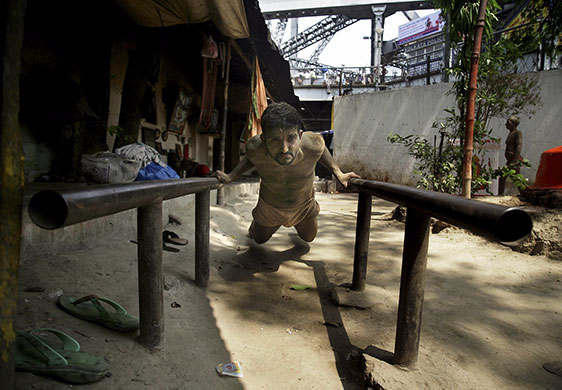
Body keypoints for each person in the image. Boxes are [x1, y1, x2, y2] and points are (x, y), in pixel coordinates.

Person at [215, 102, 360, 244]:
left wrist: (338, 173)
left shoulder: (313, 143)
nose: (284, 149)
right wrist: (231, 176)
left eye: (291, 138)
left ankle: (295, 224)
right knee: (258, 239)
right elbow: (251, 158)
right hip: (269, 208)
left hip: (303, 207)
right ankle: (258, 224)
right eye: (274, 140)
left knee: (309, 238)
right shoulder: (255, 147)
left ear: (300, 136)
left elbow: (321, 151)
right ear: (263, 140)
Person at [498, 115, 523, 195]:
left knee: (503, 177)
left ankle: (500, 195)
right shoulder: (511, 133)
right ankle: (524, 193)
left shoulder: (517, 133)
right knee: (516, 179)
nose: (506, 124)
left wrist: (514, 161)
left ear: (514, 124)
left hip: (513, 160)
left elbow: (519, 147)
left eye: (508, 123)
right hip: (510, 161)